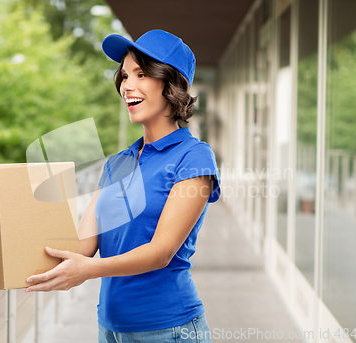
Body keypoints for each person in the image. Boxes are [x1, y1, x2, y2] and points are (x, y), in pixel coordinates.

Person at [25, 29, 221, 343]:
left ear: (172, 85)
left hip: (168, 330)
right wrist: (14, 248)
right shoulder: (118, 162)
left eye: (141, 74)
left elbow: (160, 253)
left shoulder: (194, 157)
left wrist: (88, 270)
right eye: (125, 75)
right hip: (110, 329)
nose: (127, 85)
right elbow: (82, 246)